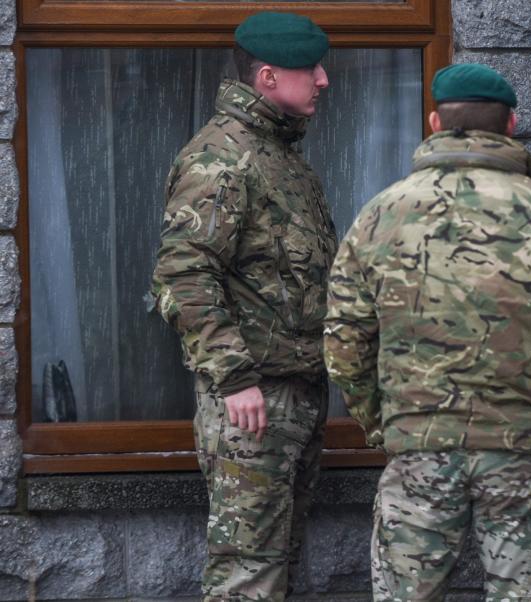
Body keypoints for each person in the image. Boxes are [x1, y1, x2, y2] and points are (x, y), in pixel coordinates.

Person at [323, 63, 531, 601]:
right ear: (512, 125)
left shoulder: (380, 215)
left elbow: (344, 340)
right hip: (522, 451)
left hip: (418, 446)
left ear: (434, 123)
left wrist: (386, 427)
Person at [151, 12, 337, 600]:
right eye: (310, 69)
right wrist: (234, 379)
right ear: (265, 76)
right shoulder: (223, 157)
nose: (324, 80)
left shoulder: (282, 159)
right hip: (252, 404)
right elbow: (183, 273)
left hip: (295, 393)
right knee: (247, 576)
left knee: (277, 561)